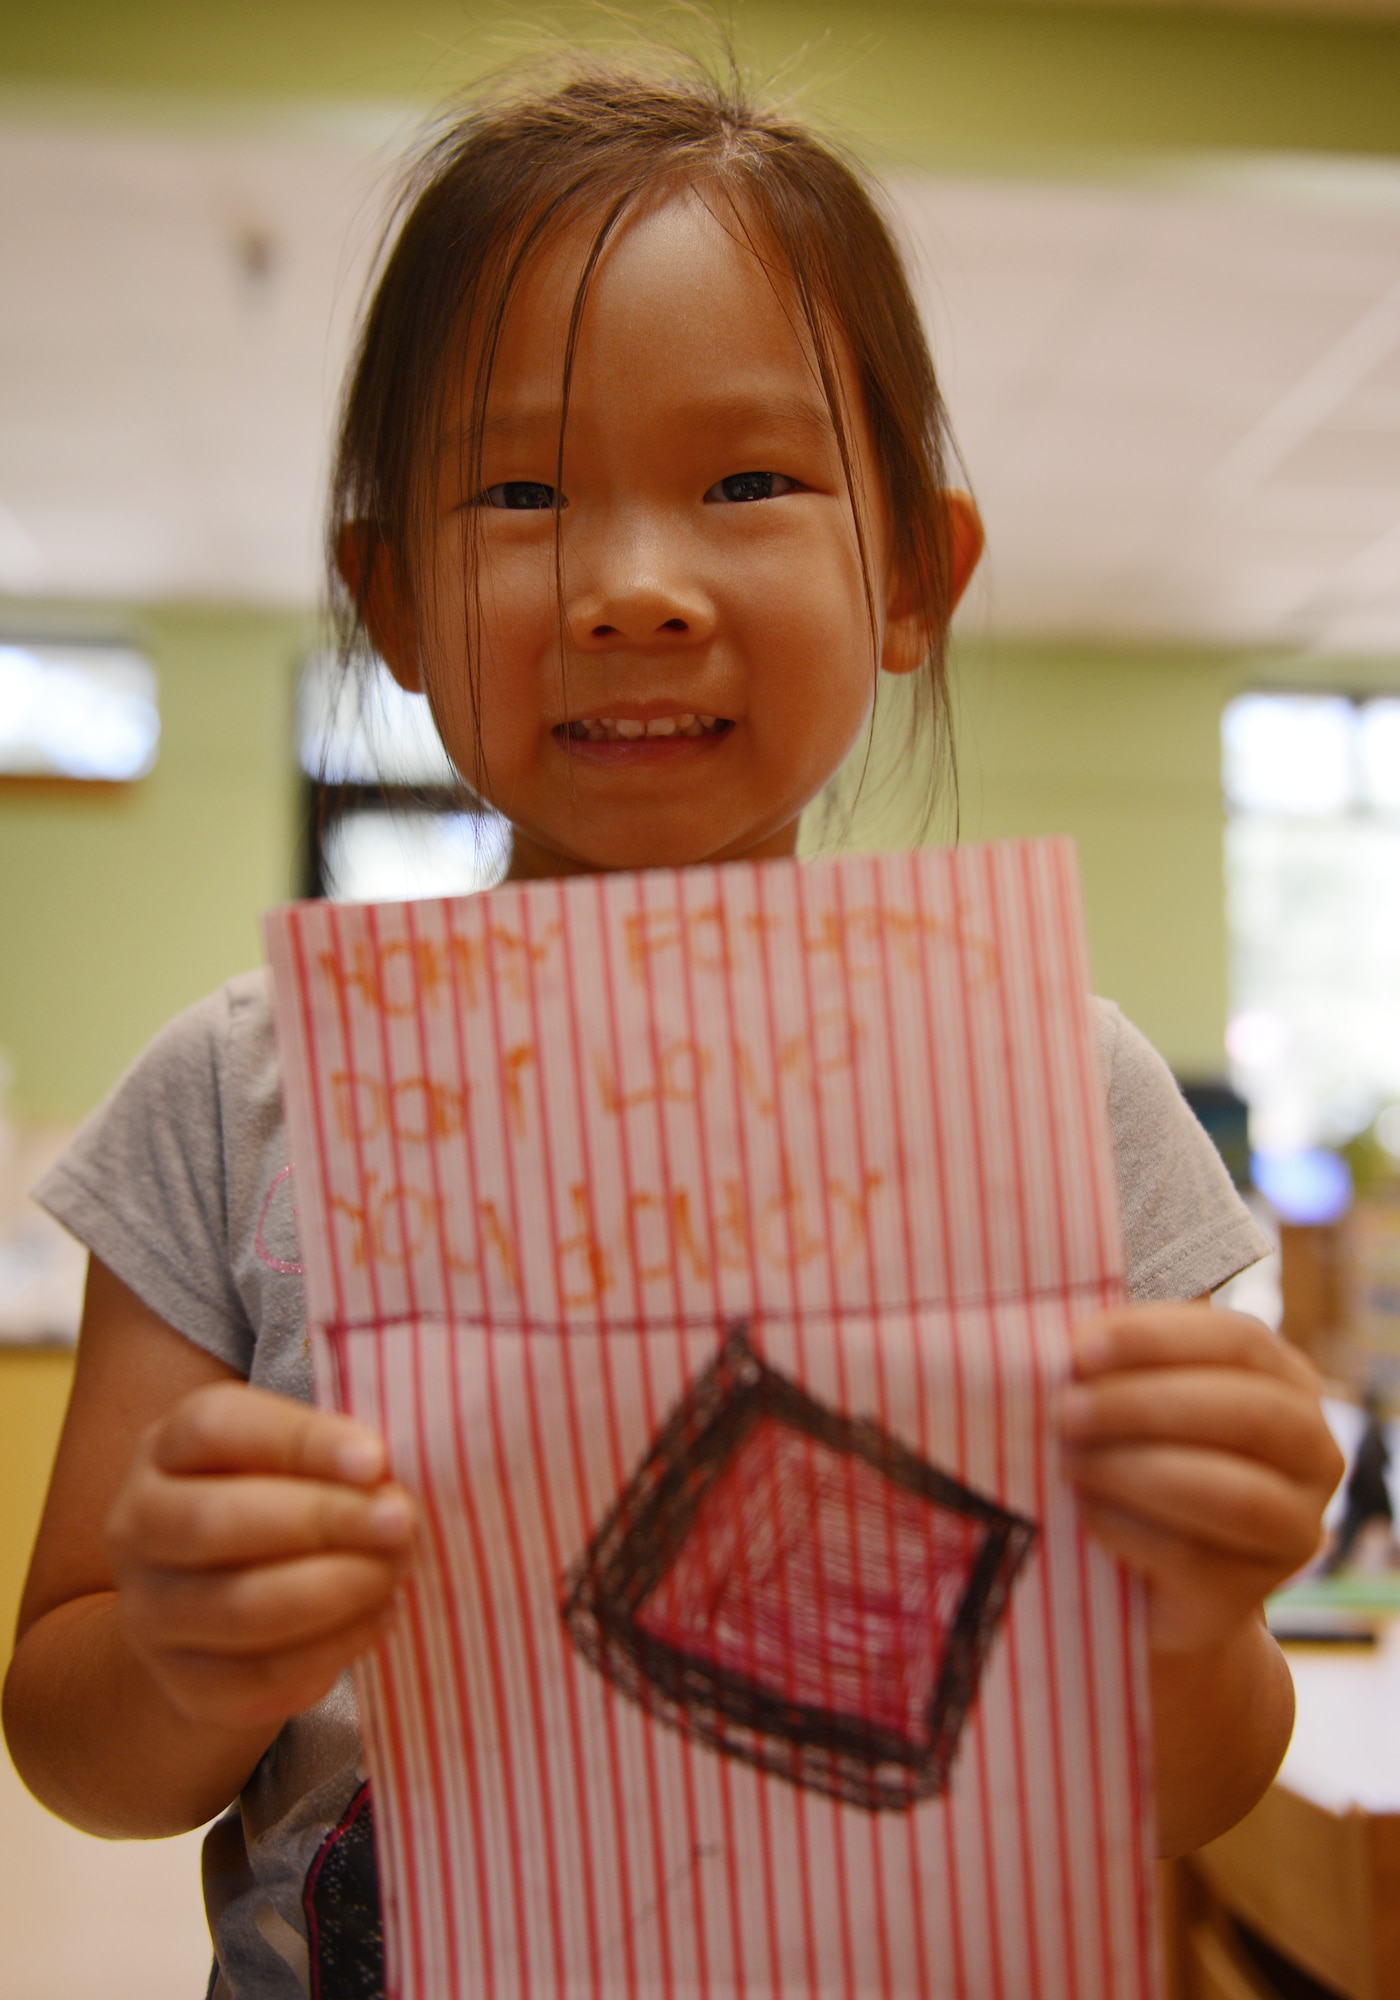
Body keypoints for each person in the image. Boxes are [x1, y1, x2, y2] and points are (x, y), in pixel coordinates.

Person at [3, 55, 1342, 2000]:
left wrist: (1196, 1619)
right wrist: (187, 1656)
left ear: (910, 574)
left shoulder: (1060, 1094)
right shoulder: (235, 1096)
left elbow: (1184, 1790)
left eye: (745, 482)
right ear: (386, 597)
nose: (632, 586)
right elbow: (66, 1731)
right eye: (521, 490)